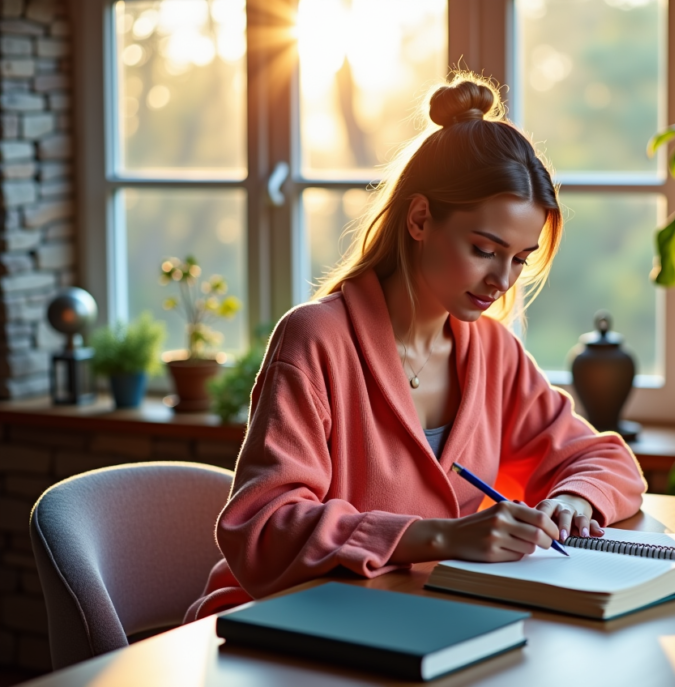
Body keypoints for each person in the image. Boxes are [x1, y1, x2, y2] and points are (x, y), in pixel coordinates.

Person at [185, 74, 646, 622]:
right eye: (484, 249)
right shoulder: (316, 339)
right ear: (421, 218)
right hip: (280, 625)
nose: (503, 279)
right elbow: (263, 527)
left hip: (417, 620)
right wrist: (438, 537)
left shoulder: (492, 350)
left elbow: (605, 459)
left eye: (520, 258)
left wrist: (573, 502)